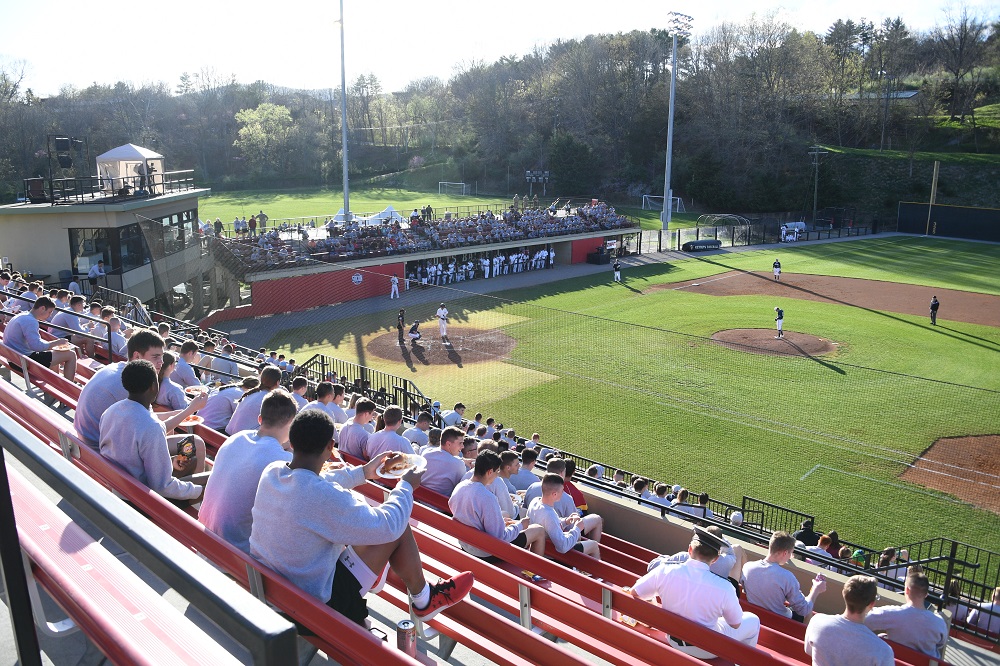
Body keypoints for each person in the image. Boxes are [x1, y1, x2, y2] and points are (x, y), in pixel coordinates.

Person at [248, 410, 474, 628]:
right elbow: (389, 525)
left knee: (372, 523)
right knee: (397, 524)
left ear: (293, 442)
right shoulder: (323, 497)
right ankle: (424, 599)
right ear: (330, 447)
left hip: (272, 589)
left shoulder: (273, 471)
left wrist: (364, 472)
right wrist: (405, 486)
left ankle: (410, 590)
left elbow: (314, 479)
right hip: (309, 607)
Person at [199, 390, 298, 553]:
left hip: (204, 526)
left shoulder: (236, 438)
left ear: (260, 419)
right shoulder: (280, 460)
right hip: (234, 546)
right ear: (291, 424)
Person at [631, 527, 760, 649]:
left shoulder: (664, 570)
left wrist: (653, 599)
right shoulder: (725, 587)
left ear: (690, 550)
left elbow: (635, 591)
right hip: (707, 649)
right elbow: (736, 623)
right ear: (715, 559)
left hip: (672, 640)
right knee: (754, 620)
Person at [98, 360, 204, 503]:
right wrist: (198, 490)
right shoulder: (151, 426)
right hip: (141, 497)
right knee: (209, 483)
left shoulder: (111, 411)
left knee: (190, 453)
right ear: (154, 386)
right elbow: (162, 486)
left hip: (117, 483)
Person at [449, 451, 545, 558]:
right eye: (497, 471)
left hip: (466, 543)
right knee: (539, 530)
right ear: (490, 472)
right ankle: (534, 573)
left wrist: (500, 521)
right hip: (485, 552)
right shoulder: (487, 497)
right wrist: (520, 525)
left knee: (505, 516)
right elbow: (501, 537)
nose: (497, 475)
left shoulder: (460, 486)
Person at [804, 575, 894, 666]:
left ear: (844, 593)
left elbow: (808, 650)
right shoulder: (883, 651)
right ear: (872, 604)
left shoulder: (817, 622)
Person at [741, 531, 827, 621]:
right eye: (790, 553)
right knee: (809, 608)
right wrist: (816, 590)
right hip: (779, 622)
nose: (790, 557)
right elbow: (804, 610)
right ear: (785, 553)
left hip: (754, 617)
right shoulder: (787, 577)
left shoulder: (747, 567)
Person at [864, 571, 948, 659]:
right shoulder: (939, 622)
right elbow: (940, 644)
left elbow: (865, 620)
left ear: (907, 590)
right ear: (926, 594)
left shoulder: (892, 613)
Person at [4, 297, 79, 381]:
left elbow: (34, 343)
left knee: (52, 354)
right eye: (50, 312)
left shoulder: (22, 316)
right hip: (25, 362)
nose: (50, 315)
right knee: (71, 355)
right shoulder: (30, 321)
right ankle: (69, 388)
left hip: (15, 360)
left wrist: (52, 344)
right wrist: (57, 343)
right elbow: (37, 346)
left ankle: (55, 383)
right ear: (42, 308)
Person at [527, 473, 600, 559]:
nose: (563, 493)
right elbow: (563, 547)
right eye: (562, 491)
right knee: (594, 545)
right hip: (552, 554)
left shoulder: (535, 501)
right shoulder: (549, 514)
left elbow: (548, 524)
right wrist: (577, 528)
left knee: (578, 537)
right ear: (554, 494)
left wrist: (566, 521)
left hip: (543, 547)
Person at [226, 366, 283, 435]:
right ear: (278, 382)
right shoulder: (269, 399)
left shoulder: (251, 393)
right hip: (239, 440)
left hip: (229, 436)